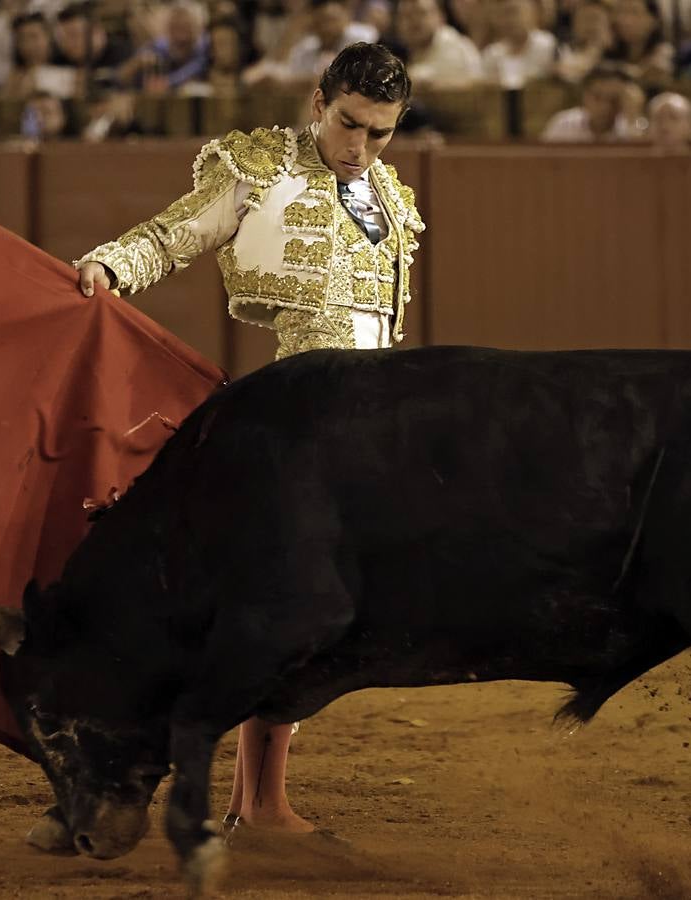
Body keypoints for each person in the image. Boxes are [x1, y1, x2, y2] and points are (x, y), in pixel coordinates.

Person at [73, 41, 425, 834]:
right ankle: (122, 770)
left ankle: (258, 801)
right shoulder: (260, 167)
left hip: (363, 443)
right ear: (316, 101)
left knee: (307, 621)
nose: (358, 147)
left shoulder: (389, 197)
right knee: (264, 614)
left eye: (378, 133)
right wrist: (111, 266)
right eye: (347, 124)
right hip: (288, 439)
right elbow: (174, 234)